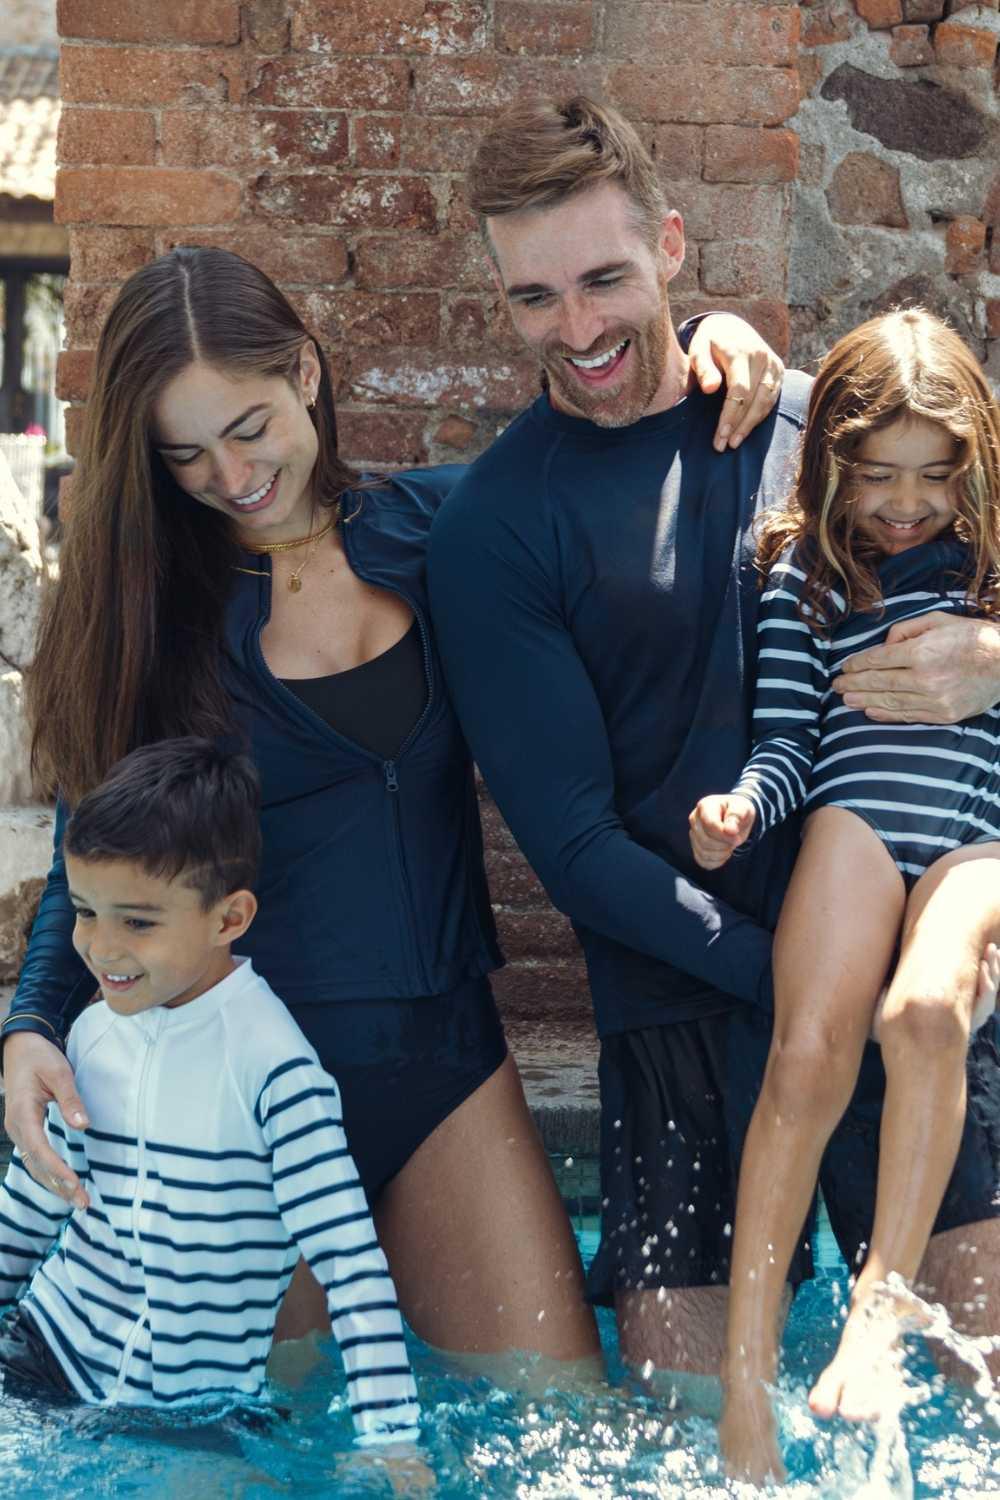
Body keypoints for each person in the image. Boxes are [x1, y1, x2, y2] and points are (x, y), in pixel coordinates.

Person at [2, 243, 775, 1366]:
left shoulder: (447, 533)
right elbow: (94, 857)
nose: (229, 474)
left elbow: (614, 463)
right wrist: (28, 1026)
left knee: (564, 1423)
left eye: (249, 426)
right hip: (241, 1108)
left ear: (306, 373)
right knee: (267, 1452)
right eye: (187, 454)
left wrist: (704, 339)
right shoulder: (145, 619)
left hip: (444, 1070)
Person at [427, 94, 1000, 1409]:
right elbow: (572, 849)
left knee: (986, 1422)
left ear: (674, 248)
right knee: (682, 1454)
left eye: (606, 279)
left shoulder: (826, 428)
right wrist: (802, 993)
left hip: (911, 994)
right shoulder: (494, 532)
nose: (576, 332)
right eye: (534, 299)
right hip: (678, 1021)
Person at [688, 309, 1000, 1482]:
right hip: (854, 818)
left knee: (922, 1014)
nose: (904, 506)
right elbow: (785, 744)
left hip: (982, 838)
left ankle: (881, 1302)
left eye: (933, 476)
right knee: (805, 1053)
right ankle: (743, 1386)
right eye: (875, 478)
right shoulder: (798, 571)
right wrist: (743, 811)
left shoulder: (995, 561)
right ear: (828, 465)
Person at [0, 738, 421, 1457]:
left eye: (136, 921)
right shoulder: (94, 1036)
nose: (100, 949)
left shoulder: (274, 1069)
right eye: (86, 911)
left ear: (229, 919)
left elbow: (350, 1266)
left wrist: (392, 1441)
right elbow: (34, 1202)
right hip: (48, 1354)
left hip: (196, 1406)